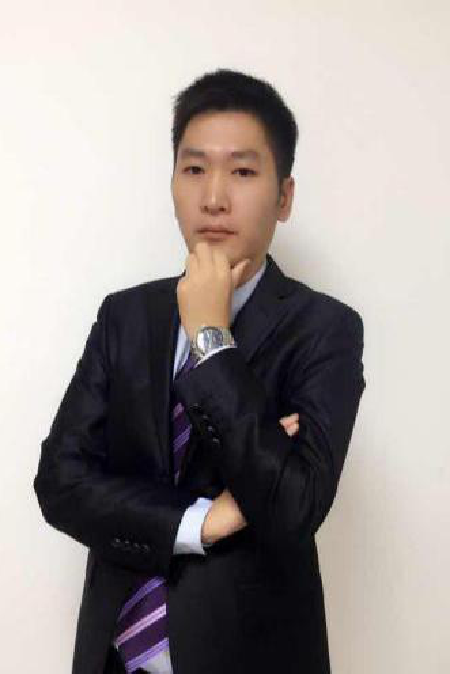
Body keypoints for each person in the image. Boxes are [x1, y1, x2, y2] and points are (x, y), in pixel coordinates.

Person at [33, 68, 366, 674]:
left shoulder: (325, 329)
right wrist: (201, 521)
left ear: (284, 197)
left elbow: (293, 509)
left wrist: (211, 340)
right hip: (114, 660)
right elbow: (60, 482)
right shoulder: (125, 316)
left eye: (242, 172)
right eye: (193, 169)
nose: (213, 197)